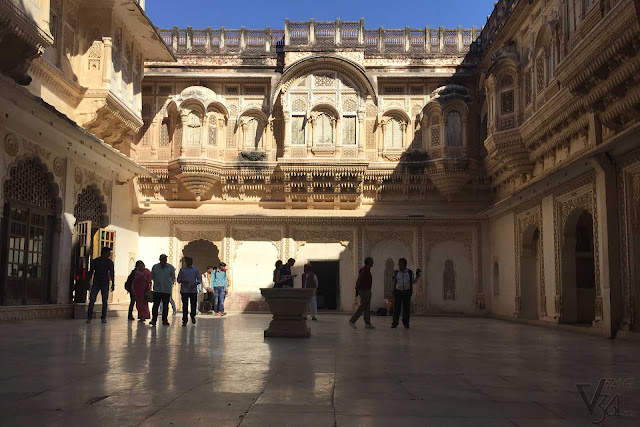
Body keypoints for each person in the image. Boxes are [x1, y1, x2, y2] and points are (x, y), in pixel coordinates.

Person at [86, 247, 115, 324]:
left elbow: (112, 273)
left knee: (104, 301)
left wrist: (113, 283)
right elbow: (91, 272)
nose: (109, 254)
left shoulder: (109, 262)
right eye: (108, 252)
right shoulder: (96, 261)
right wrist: (88, 282)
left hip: (104, 283)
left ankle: (103, 317)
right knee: (92, 300)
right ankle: (89, 317)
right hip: (97, 282)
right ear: (104, 253)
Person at [391, 258, 421, 329]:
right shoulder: (396, 272)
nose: (399, 265)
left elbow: (412, 281)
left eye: (400, 263)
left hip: (407, 292)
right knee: (396, 308)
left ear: (404, 264)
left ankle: (406, 323)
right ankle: (394, 323)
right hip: (398, 292)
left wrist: (417, 277)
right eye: (399, 263)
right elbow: (394, 281)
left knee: (406, 309)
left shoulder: (409, 272)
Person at [349, 257, 375, 329]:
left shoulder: (367, 270)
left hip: (366, 290)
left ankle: (367, 323)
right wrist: (357, 290)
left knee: (367, 307)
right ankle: (352, 320)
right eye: (372, 261)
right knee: (363, 306)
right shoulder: (364, 270)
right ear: (369, 262)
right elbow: (359, 280)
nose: (373, 263)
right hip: (364, 290)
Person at [150, 254, 176, 327]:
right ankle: (154, 319)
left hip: (166, 290)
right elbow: (152, 276)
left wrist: (169, 284)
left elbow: (173, 278)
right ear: (160, 259)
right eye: (162, 259)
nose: (164, 260)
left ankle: (164, 320)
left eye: (165, 259)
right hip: (157, 289)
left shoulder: (170, 268)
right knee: (155, 305)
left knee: (165, 305)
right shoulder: (155, 267)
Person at [177, 257, 200, 326]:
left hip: (193, 290)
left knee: (193, 305)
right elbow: (178, 279)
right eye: (187, 261)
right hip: (185, 290)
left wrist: (195, 284)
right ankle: (184, 320)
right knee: (185, 305)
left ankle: (192, 316)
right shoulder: (182, 270)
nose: (188, 262)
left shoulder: (195, 269)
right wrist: (183, 281)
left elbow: (199, 279)